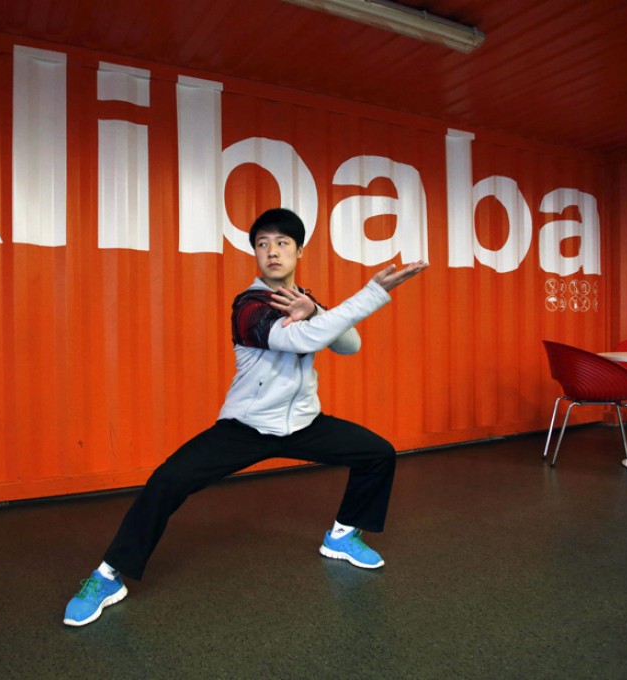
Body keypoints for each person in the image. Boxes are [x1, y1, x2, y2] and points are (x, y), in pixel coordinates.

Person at [64, 207, 428, 627]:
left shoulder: (301, 299)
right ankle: (108, 575)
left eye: (282, 243)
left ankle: (343, 535)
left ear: (299, 251)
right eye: (262, 244)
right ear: (256, 253)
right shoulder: (249, 305)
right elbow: (299, 340)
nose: (272, 251)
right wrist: (369, 294)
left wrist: (316, 311)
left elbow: (348, 345)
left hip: (304, 424)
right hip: (248, 427)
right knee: (168, 481)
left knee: (377, 453)